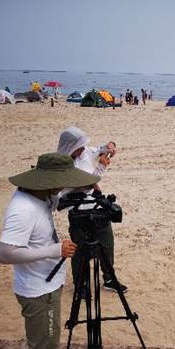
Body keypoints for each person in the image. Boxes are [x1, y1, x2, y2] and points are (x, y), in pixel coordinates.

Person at [0, 153, 100, 349]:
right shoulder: (22, 210)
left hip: (47, 281)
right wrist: (54, 250)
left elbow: (57, 200)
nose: (64, 186)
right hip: (36, 290)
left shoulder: (40, 195)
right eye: (63, 181)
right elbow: (4, 254)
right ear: (50, 181)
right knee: (40, 346)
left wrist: (85, 186)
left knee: (51, 333)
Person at [56, 126, 128, 293]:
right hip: (78, 210)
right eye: (80, 145)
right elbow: (85, 184)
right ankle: (80, 284)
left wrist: (110, 146)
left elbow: (99, 149)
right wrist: (101, 167)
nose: (83, 148)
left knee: (106, 244)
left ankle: (109, 279)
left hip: (96, 205)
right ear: (71, 147)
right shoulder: (63, 165)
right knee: (80, 249)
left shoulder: (85, 152)